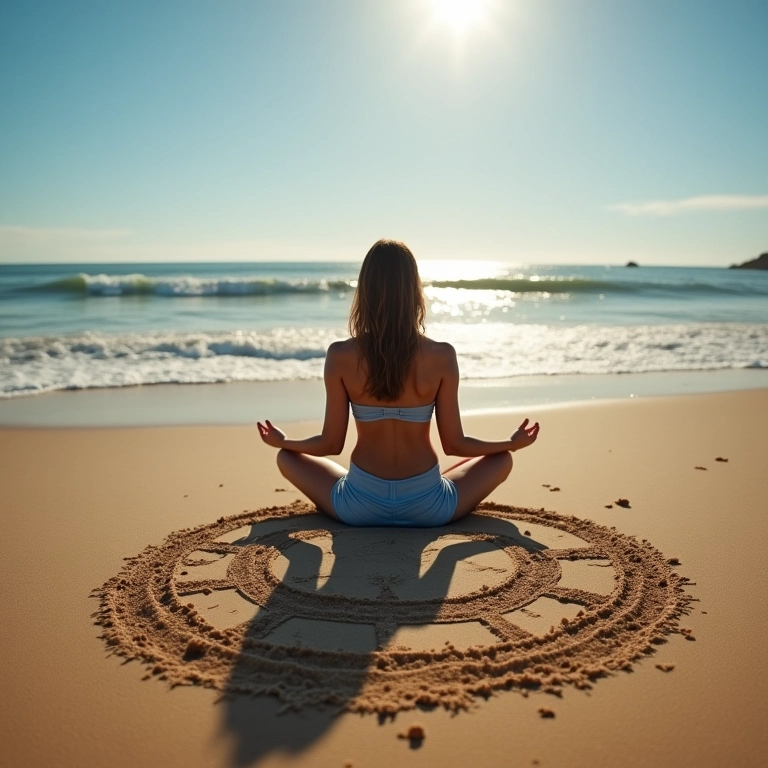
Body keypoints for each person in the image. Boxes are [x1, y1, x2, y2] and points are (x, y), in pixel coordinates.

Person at [257, 239, 540, 527]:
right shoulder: (442, 355)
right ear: (414, 291)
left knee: (286, 457)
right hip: (429, 506)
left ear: (364, 291)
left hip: (358, 505)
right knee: (502, 459)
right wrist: (512, 443)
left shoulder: (340, 355)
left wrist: (284, 441)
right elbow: (455, 444)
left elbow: (330, 443)